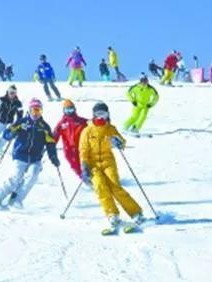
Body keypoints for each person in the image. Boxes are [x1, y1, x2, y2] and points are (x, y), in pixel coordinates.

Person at [79, 102, 144, 235]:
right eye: (98, 114)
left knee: (115, 186)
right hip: (93, 165)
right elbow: (83, 150)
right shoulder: (87, 130)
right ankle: (112, 214)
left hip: (108, 162)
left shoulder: (111, 129)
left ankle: (136, 213)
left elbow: (122, 142)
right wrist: (84, 165)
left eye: (103, 114)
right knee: (99, 186)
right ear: (93, 115)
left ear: (108, 114)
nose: (101, 117)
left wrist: (119, 142)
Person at [0, 98, 60, 209]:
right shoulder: (22, 122)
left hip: (35, 158)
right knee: (16, 178)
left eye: (38, 111)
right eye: (33, 110)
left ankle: (16, 201)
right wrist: (11, 133)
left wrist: (53, 156)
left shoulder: (44, 126)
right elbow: (7, 134)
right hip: (20, 155)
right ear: (29, 110)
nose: (35, 113)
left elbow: (50, 143)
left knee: (33, 177)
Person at [53, 99, 88, 178]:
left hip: (81, 148)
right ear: (64, 110)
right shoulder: (62, 123)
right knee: (75, 166)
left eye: (71, 109)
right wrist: (51, 145)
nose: (69, 112)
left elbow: (92, 127)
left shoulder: (82, 121)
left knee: (84, 164)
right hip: (69, 150)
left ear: (74, 109)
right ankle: (83, 177)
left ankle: (90, 176)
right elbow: (55, 135)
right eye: (67, 110)